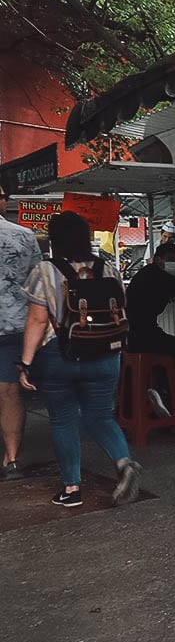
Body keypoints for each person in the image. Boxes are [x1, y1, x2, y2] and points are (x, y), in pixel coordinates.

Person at [17, 211, 141, 508]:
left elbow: (36, 320)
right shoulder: (108, 268)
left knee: (63, 420)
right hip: (105, 355)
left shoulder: (45, 271)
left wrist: (25, 363)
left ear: (54, 239)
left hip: (61, 357)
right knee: (100, 416)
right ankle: (124, 462)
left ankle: (72, 489)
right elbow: (121, 313)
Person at [125, 242, 175, 417]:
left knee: (173, 357)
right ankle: (167, 396)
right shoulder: (159, 276)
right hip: (144, 337)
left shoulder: (146, 274)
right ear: (158, 259)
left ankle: (163, 395)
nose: (174, 264)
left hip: (133, 336)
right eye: (170, 260)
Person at [0, 188, 43, 480]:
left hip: (13, 325)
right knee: (10, 390)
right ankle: (11, 459)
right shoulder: (24, 236)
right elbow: (38, 283)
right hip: (14, 325)